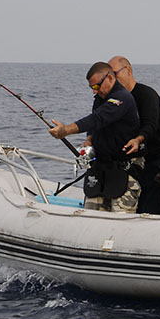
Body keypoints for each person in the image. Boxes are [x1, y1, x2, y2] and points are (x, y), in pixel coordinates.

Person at [49, 61, 141, 212]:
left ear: (110, 78)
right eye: (92, 88)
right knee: (90, 213)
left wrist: (65, 130)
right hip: (100, 168)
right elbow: (94, 125)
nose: (94, 91)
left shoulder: (121, 99)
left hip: (124, 168)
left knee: (120, 218)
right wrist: (89, 139)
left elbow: (98, 118)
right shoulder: (99, 99)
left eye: (97, 86)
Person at [108, 55, 160, 214]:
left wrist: (138, 140)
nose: (111, 80)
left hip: (156, 160)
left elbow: (150, 125)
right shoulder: (113, 99)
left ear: (128, 70)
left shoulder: (147, 95)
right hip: (129, 163)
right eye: (108, 77)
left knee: (150, 206)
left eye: (114, 75)